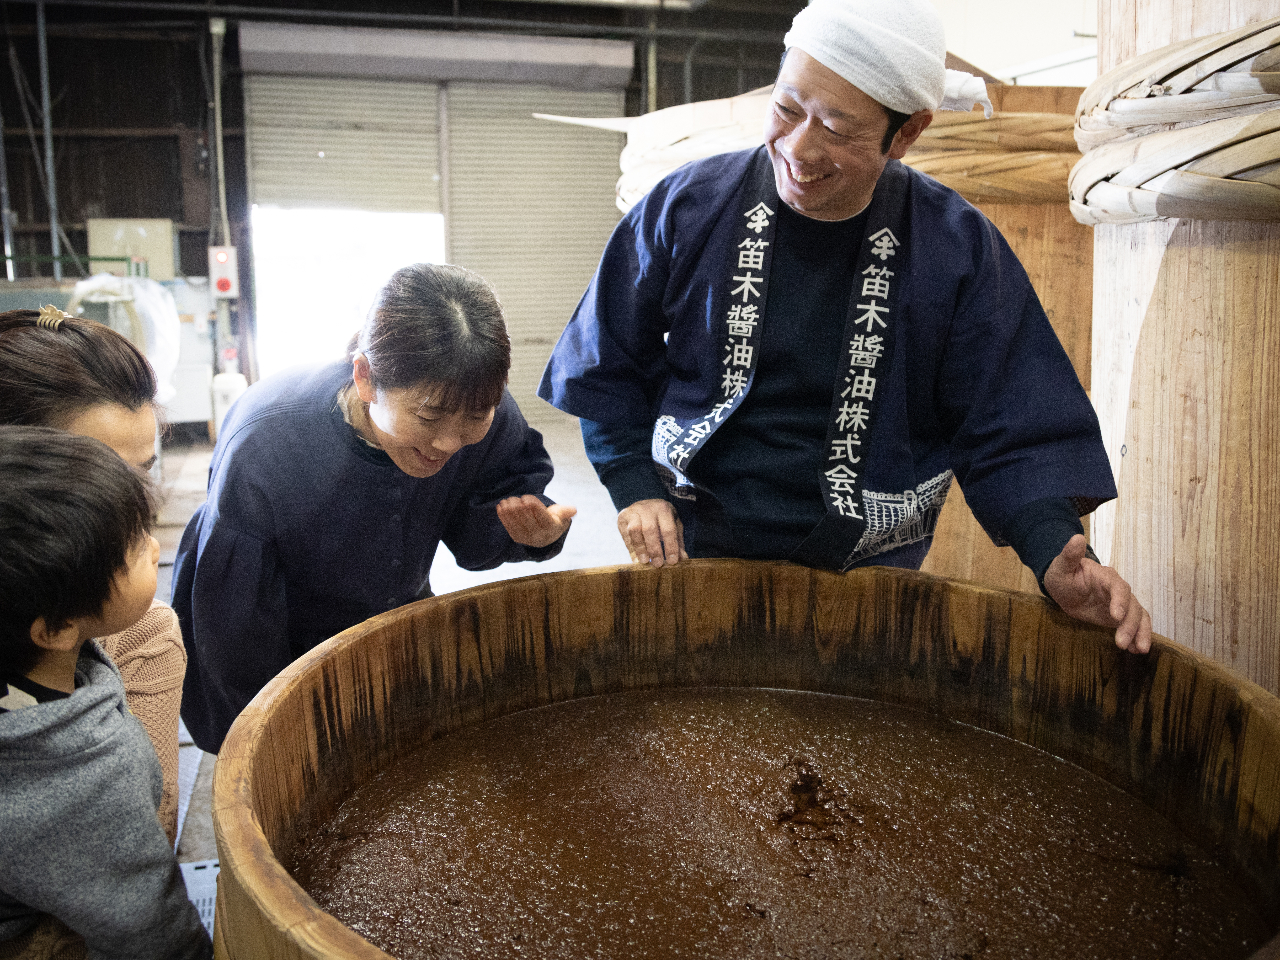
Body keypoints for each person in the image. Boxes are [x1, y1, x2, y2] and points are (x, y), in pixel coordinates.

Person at [539, 0, 1152, 653]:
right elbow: (606, 362)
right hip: (696, 538)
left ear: (907, 132)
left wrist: (1051, 549)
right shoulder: (686, 207)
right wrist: (633, 488)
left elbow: (1011, 421)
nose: (799, 148)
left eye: (835, 127)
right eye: (787, 108)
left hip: (869, 561)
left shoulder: (957, 247)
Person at [173, 263, 577, 753]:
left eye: (477, 414)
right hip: (286, 642)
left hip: (393, 616)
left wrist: (528, 534)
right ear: (364, 377)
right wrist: (268, 734)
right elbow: (233, 623)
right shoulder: (270, 444)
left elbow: (485, 513)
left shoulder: (480, 412)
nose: (451, 441)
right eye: (428, 416)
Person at [0, 425, 211, 960]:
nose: (154, 546)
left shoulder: (30, 657)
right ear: (54, 629)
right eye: (134, 550)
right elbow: (146, 923)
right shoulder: (83, 778)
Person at [0, 306, 187, 846]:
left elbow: (146, 839)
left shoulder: (140, 632)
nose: (136, 512)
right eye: (100, 478)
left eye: (142, 474)